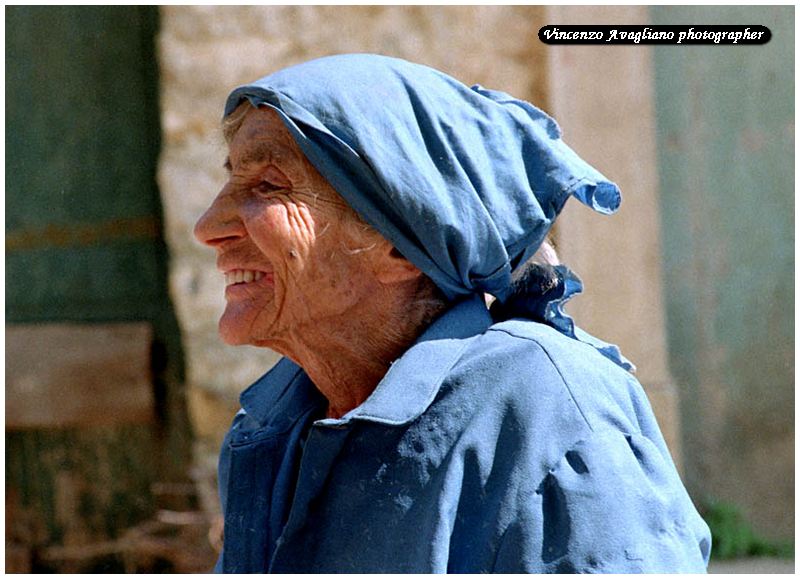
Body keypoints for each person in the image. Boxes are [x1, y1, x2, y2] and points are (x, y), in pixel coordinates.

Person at [194, 54, 711, 573]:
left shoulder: (549, 418)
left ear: (398, 244)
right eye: (231, 180)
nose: (209, 225)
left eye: (268, 186)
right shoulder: (275, 427)